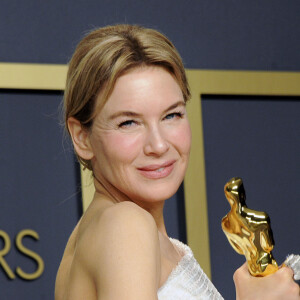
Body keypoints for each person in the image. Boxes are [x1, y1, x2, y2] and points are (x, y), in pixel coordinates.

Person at [55, 24, 299, 300]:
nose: (158, 145)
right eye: (129, 123)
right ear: (82, 137)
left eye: (171, 116)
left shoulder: (101, 232)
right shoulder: (125, 225)